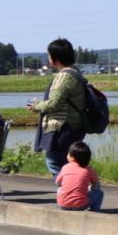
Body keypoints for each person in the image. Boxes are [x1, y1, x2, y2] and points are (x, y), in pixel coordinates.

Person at [29, 37, 87, 177]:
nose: (48, 57)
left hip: (63, 127)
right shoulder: (75, 72)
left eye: (49, 55)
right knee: (70, 165)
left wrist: (37, 106)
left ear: (56, 58)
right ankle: (77, 189)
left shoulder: (64, 77)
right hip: (75, 126)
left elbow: (54, 103)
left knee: (55, 163)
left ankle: (68, 190)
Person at [56, 140, 103, 212]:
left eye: (68, 154)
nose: (67, 155)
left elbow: (58, 182)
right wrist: (89, 188)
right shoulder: (88, 170)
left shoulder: (65, 167)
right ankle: (95, 211)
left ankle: (65, 201)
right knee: (99, 193)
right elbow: (96, 185)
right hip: (80, 206)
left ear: (72, 157)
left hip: (63, 205)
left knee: (59, 189)